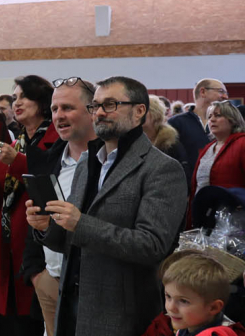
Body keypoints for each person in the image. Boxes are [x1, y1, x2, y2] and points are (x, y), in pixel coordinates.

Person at [26, 76, 188, 336]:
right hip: (71, 304)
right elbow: (72, 241)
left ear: (139, 111)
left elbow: (152, 246)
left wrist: (80, 223)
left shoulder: (161, 169)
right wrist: (48, 227)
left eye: (110, 104)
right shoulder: (86, 162)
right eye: (96, 105)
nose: (100, 112)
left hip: (120, 313)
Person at [0, 75, 57, 335]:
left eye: (24, 97)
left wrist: (17, 161)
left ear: (43, 103)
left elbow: (51, 184)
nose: (16, 102)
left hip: (38, 250)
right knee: (4, 326)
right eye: (15, 97)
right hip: (7, 251)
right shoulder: (15, 144)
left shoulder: (56, 140)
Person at [13, 77, 99, 336]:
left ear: (93, 111)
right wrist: (35, 274)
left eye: (68, 108)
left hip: (94, 285)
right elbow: (36, 218)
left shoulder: (109, 162)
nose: (59, 116)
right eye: (54, 109)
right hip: (51, 280)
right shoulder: (47, 159)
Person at [139, 251, 245, 336]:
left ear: (213, 307)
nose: (171, 307)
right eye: (168, 296)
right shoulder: (188, 326)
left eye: (183, 301)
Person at [169, 79, 229, 175]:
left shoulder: (229, 122)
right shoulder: (176, 123)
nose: (226, 97)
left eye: (226, 93)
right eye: (221, 91)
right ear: (203, 92)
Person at [191, 101, 245, 197]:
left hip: (233, 205)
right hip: (202, 205)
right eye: (209, 117)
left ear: (232, 120)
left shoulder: (242, 143)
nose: (212, 120)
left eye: (218, 115)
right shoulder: (208, 148)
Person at [145, 95, 191, 181]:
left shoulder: (171, 144)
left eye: (144, 110)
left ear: (155, 114)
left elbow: (183, 175)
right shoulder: (132, 142)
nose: (138, 115)